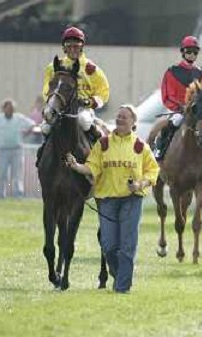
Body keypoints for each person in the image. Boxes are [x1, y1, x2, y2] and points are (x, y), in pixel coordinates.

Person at [65, 104, 160, 293]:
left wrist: (139, 185)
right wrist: (76, 166)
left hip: (131, 200)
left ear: (133, 122)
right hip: (107, 200)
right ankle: (120, 275)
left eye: (124, 117)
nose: (120, 120)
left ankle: (122, 287)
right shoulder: (103, 144)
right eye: (118, 116)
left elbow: (153, 171)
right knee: (108, 246)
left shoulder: (140, 146)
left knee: (127, 245)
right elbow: (92, 168)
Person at [41, 26, 110, 142]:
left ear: (81, 47)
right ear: (64, 48)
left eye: (76, 46)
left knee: (83, 121)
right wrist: (52, 102)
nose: (73, 49)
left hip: (82, 108)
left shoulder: (92, 69)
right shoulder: (53, 68)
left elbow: (104, 92)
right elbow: (46, 89)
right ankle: (42, 156)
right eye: (69, 46)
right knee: (46, 128)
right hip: (59, 108)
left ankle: (98, 147)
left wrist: (90, 102)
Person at [151, 35, 202, 160]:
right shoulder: (172, 71)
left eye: (195, 52)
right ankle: (160, 151)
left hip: (198, 112)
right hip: (178, 110)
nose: (192, 54)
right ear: (183, 52)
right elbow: (166, 96)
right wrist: (179, 107)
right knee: (173, 123)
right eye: (189, 51)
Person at [0, 99, 36, 198]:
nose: (10, 110)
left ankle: (18, 195)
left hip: (17, 150)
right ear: (3, 109)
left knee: (17, 174)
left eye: (12, 109)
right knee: (2, 173)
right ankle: (0, 194)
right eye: (8, 108)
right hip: (2, 150)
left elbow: (33, 124)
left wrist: (27, 132)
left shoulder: (19, 118)